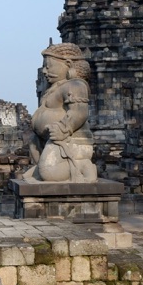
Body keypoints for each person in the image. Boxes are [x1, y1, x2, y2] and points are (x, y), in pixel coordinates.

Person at [25, 42, 97, 183]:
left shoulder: (76, 85)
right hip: (47, 140)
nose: (45, 71)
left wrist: (64, 128)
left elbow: (80, 112)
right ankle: (44, 169)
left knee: (48, 174)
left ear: (69, 65)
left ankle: (83, 166)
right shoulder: (55, 87)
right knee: (34, 172)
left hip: (69, 140)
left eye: (49, 66)